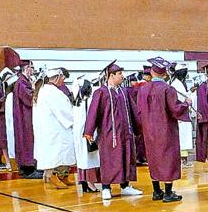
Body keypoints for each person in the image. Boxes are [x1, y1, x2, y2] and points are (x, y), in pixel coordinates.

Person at [135, 56, 192, 203]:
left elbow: (139, 111)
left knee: (153, 158)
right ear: (164, 73)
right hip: (165, 130)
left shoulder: (142, 90)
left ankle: (156, 191)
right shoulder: (168, 89)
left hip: (148, 131)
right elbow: (175, 109)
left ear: (152, 73)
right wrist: (186, 103)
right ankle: (168, 193)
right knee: (168, 158)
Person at [84, 61, 142, 201]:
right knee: (109, 160)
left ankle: (125, 186)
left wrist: (138, 126)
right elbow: (93, 113)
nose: (122, 76)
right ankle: (106, 187)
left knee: (126, 158)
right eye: (120, 74)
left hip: (125, 133)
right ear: (111, 76)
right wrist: (89, 131)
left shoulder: (124, 92)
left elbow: (133, 111)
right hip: (109, 134)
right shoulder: (101, 93)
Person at [34, 68, 76, 189]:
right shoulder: (51, 92)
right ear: (56, 78)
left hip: (55, 127)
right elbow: (64, 110)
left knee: (63, 151)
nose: (63, 80)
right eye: (62, 77)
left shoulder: (46, 90)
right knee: (54, 153)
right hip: (54, 128)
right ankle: (50, 175)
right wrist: (75, 119)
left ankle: (62, 175)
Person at [13, 61, 42, 178]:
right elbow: (30, 97)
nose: (33, 70)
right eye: (31, 67)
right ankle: (28, 169)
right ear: (26, 68)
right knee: (26, 140)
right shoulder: (22, 82)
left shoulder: (24, 81)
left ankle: (29, 167)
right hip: (24, 118)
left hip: (26, 116)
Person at [72, 76, 100, 193]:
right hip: (87, 132)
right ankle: (90, 182)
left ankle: (84, 181)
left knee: (82, 158)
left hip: (78, 133)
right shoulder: (88, 101)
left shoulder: (76, 102)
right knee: (89, 158)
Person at [170, 62, 194, 166]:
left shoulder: (180, 83)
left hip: (184, 112)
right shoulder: (175, 84)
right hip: (180, 113)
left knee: (185, 137)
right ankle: (182, 160)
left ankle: (184, 159)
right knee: (182, 137)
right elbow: (178, 100)